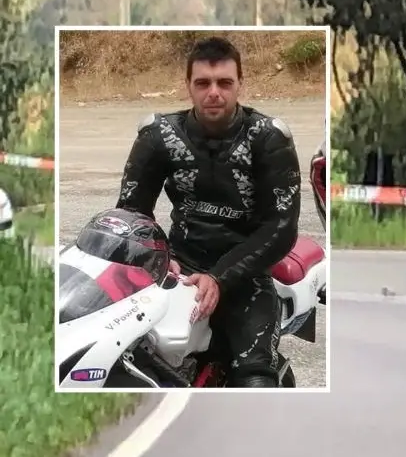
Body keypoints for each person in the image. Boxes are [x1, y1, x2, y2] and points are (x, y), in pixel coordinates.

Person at [116, 36, 301, 388]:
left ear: (239, 85)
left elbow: (281, 228)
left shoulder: (268, 138)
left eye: (224, 83)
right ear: (188, 86)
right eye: (203, 83)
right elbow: (131, 213)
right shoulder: (158, 135)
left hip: (247, 277)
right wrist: (158, 255)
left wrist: (220, 277)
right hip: (177, 266)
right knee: (127, 355)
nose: (213, 92)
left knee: (255, 379)